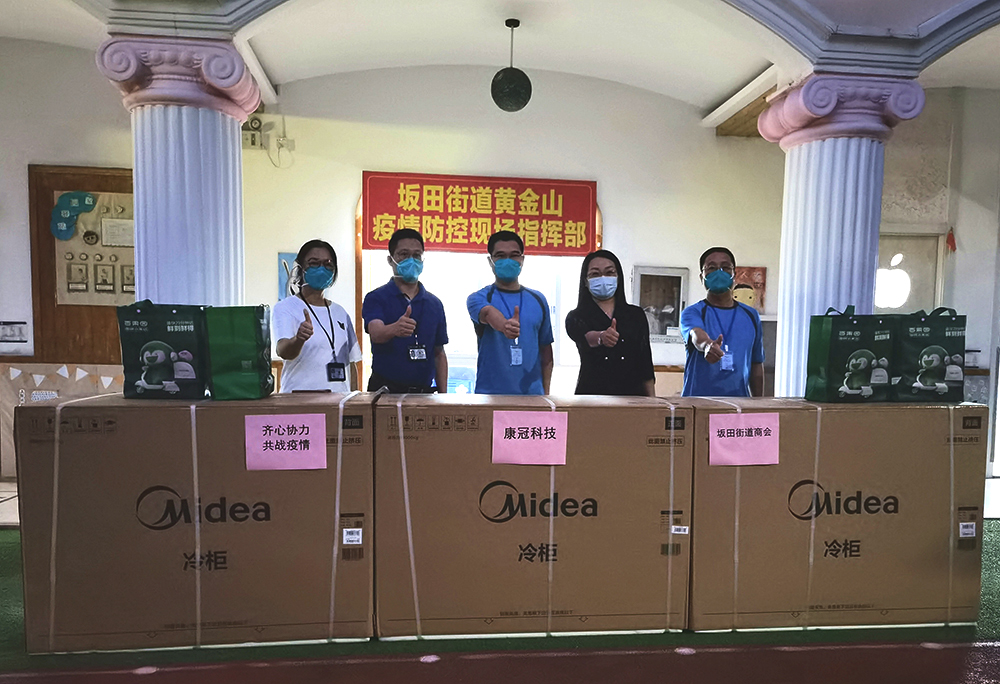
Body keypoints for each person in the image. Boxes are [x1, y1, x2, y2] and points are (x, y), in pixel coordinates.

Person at [467, 230, 554, 395]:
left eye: (514, 255)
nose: (508, 261)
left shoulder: (538, 299)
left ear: (522, 259)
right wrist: (504, 326)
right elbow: (488, 313)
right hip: (490, 396)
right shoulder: (479, 298)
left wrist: (545, 394)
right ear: (491, 261)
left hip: (532, 397)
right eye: (500, 256)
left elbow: (546, 352)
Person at [362, 228, 448, 393]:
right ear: (390, 260)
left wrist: (443, 397)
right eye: (404, 254)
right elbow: (376, 333)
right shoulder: (376, 298)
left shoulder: (434, 304)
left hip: (423, 393)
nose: (411, 260)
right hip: (385, 392)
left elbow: (439, 353)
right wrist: (394, 329)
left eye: (416, 255)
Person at [272, 239, 362, 392]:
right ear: (300, 268)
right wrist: (299, 339)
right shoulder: (286, 307)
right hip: (299, 398)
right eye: (314, 263)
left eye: (328, 264)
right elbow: (283, 351)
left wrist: (354, 399)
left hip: (339, 399)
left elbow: (352, 362)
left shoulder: (340, 312)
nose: (321, 269)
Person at [565, 250, 655, 396]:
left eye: (609, 272)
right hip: (591, 396)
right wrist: (601, 337)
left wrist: (652, 402)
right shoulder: (576, 316)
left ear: (618, 278)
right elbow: (585, 337)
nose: (603, 278)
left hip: (633, 396)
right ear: (585, 281)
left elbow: (645, 363)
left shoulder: (635, 314)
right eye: (595, 274)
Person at [680, 247, 764, 397]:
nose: (719, 272)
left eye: (725, 268)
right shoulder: (693, 312)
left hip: (739, 403)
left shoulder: (751, 315)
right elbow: (696, 334)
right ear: (702, 277)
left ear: (734, 275)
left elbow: (756, 363)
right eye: (711, 268)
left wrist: (759, 403)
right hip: (697, 403)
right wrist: (707, 346)